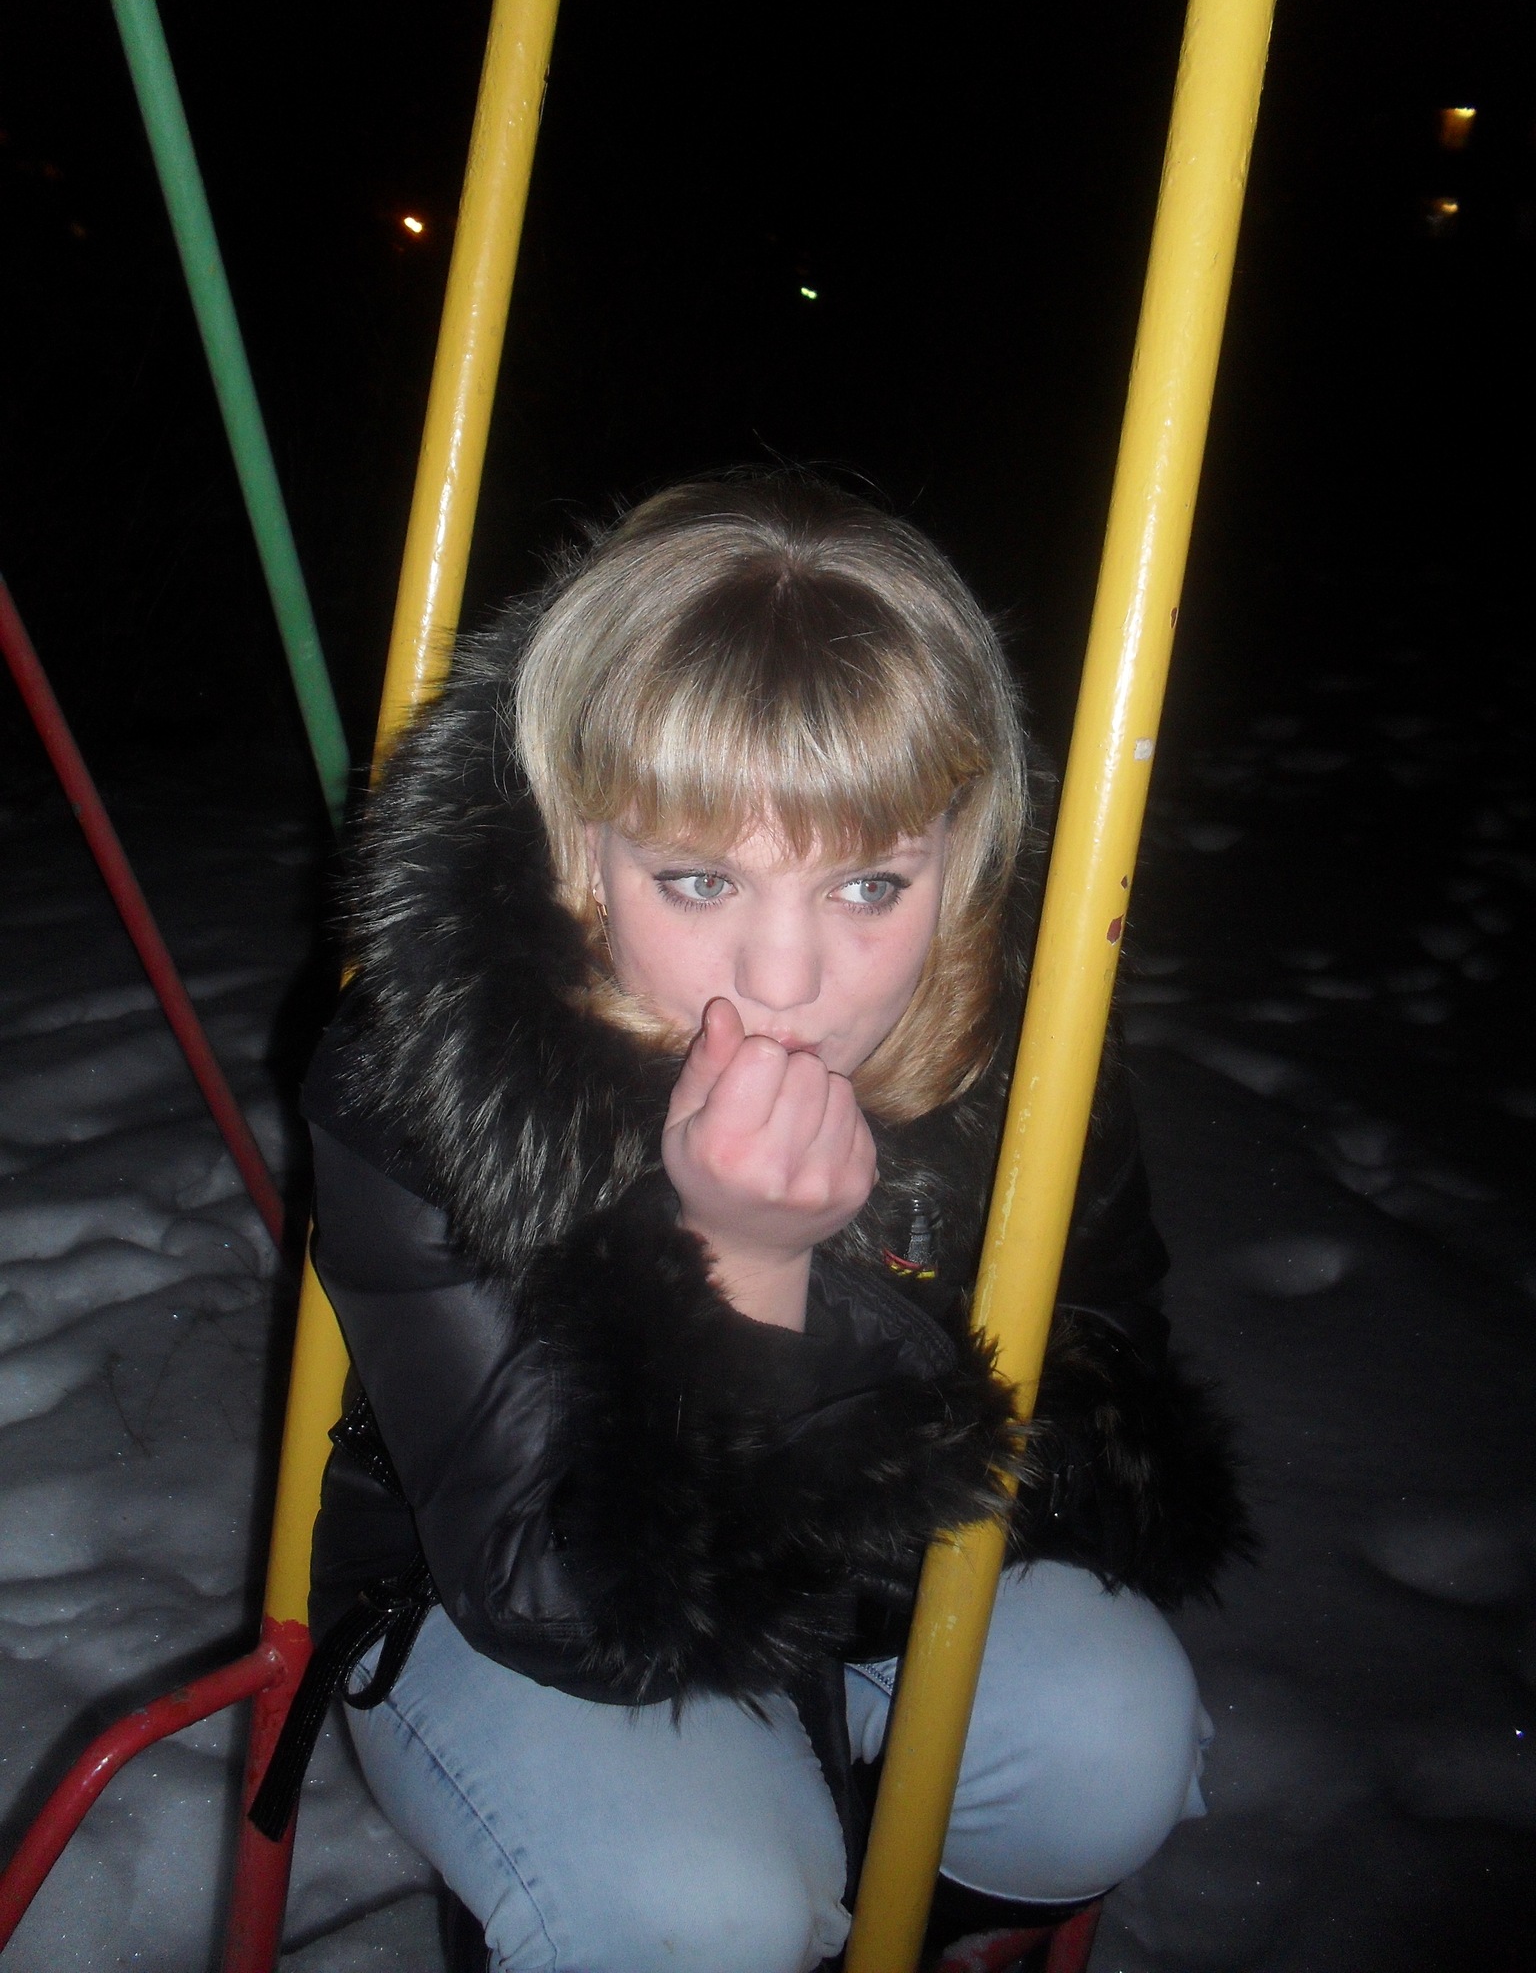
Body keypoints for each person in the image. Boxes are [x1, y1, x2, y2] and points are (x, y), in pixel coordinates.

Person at [295, 475, 1249, 1973]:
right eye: (698, 879)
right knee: (695, 1906)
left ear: (961, 857)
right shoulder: (442, 1072)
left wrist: (900, 1450)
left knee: (1110, 1740)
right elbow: (560, 1599)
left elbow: (1110, 1393)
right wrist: (743, 1267)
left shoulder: (1018, 1043)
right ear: (577, 856)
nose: (790, 980)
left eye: (872, 882)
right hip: (502, 1606)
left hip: (878, 1586)